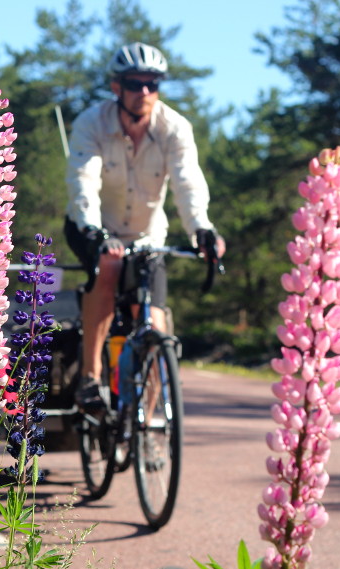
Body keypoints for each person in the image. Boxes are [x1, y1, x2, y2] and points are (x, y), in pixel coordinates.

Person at [64, 41, 225, 411]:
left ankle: (149, 422)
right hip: (93, 227)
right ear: (116, 86)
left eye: (153, 84)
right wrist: (93, 230)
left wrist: (201, 227)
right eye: (135, 84)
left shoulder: (175, 128)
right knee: (109, 267)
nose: (145, 92)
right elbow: (82, 180)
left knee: (153, 318)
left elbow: (188, 182)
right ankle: (89, 379)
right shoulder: (93, 123)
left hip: (147, 234)